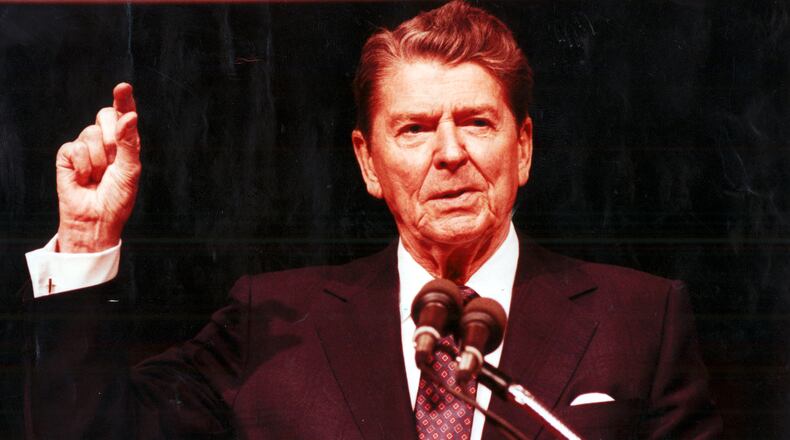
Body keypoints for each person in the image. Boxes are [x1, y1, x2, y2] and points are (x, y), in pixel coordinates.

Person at [25, 1, 721, 438]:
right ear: (366, 162)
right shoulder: (268, 323)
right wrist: (87, 242)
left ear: (525, 146)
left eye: (477, 121)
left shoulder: (642, 319)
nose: (450, 153)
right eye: (415, 129)